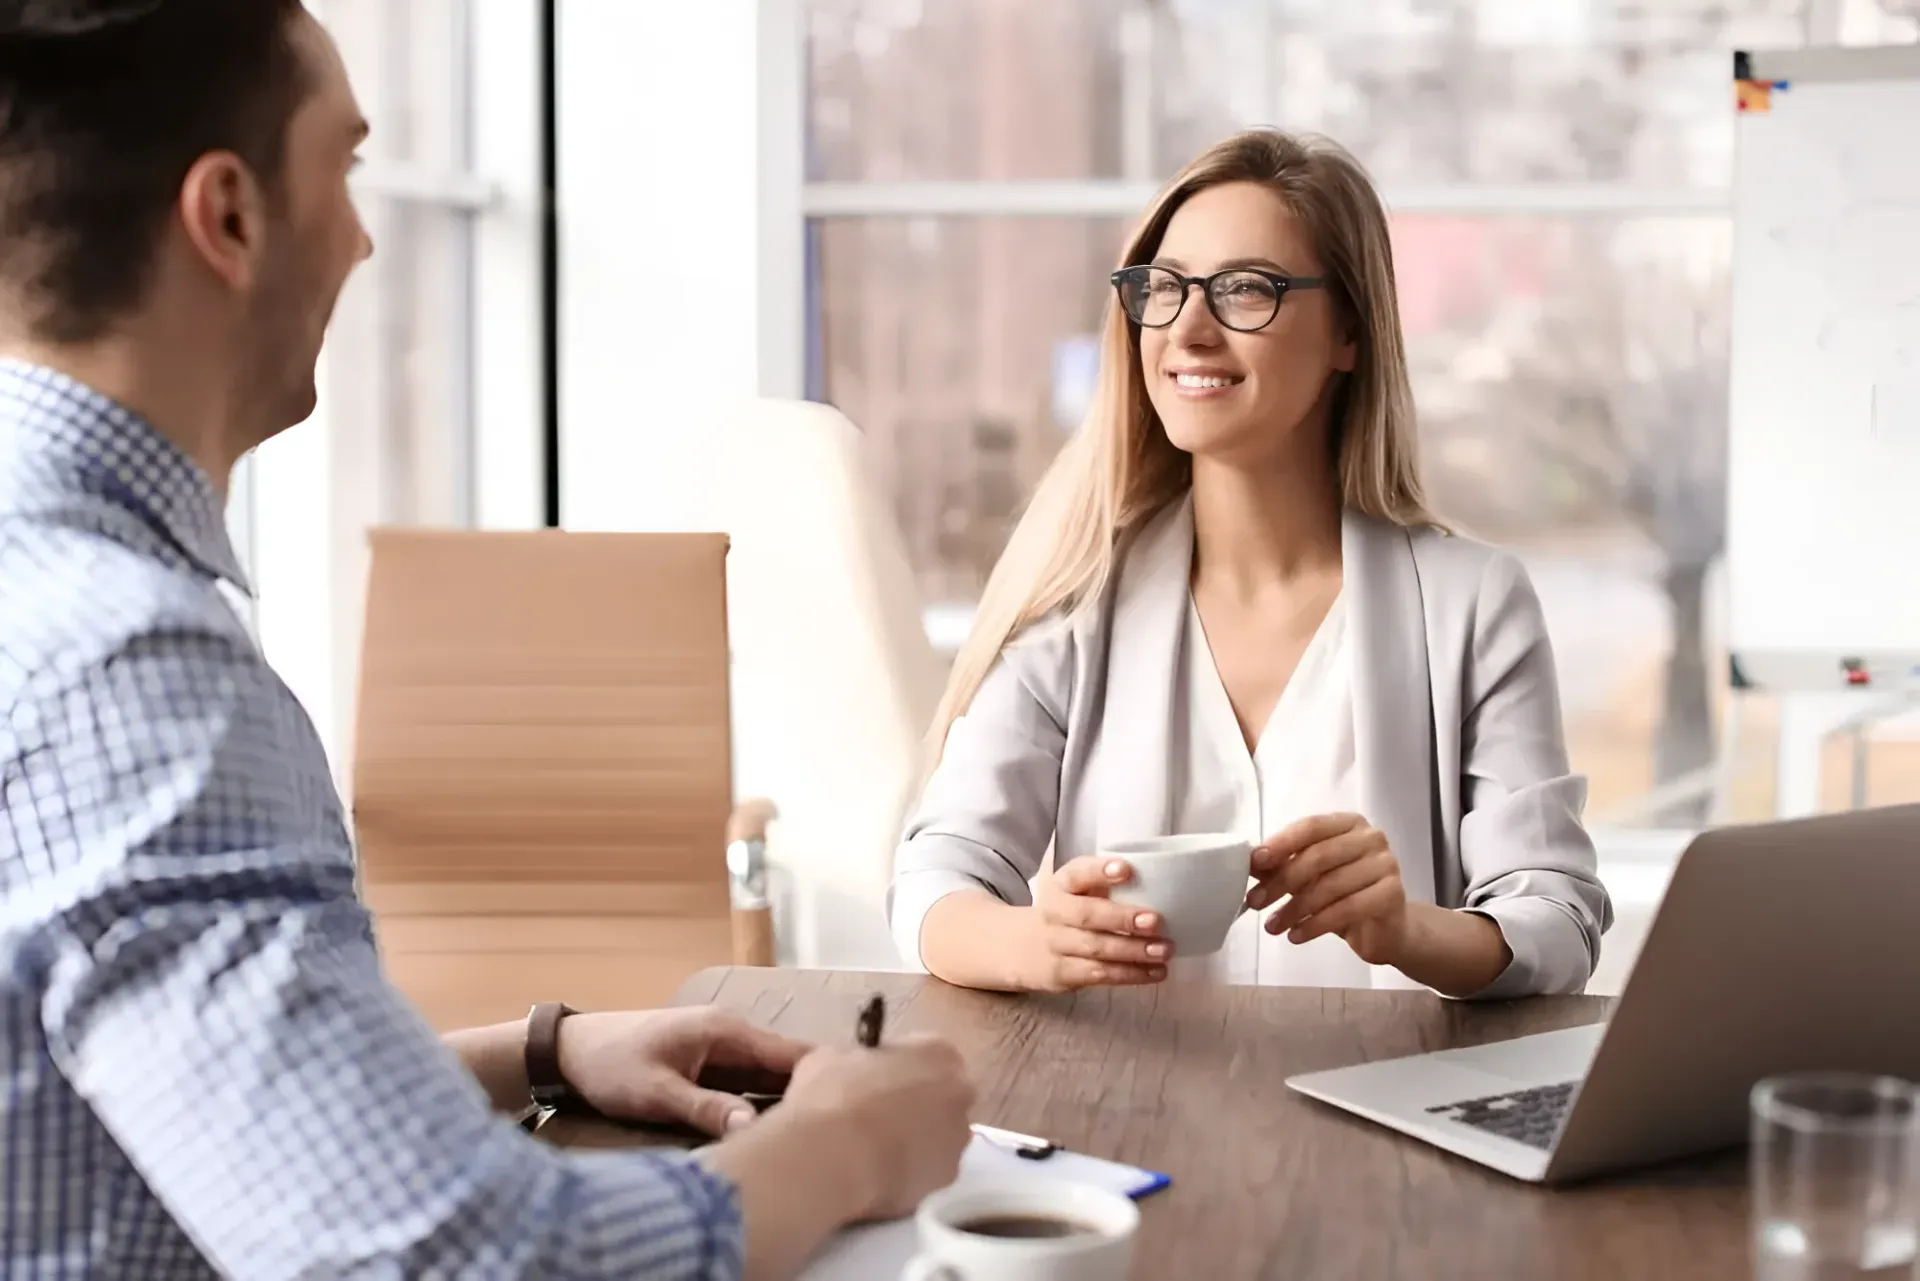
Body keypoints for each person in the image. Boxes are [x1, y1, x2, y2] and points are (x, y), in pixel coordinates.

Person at [0, 4, 972, 1279]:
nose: (360, 236)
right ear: (229, 216)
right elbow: (467, 1264)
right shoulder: (126, 670)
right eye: (340, 168)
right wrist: (845, 1145)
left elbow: (159, 1121)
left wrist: (540, 1053)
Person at [889, 128, 1613, 999]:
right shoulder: (1076, 600)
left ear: (1349, 330)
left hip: (1375, 1117)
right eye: (1163, 288)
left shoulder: (1475, 606)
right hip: (1121, 1119)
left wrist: (1407, 928)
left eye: (1244, 290)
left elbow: (1558, 919)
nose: (1188, 329)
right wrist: (1031, 942)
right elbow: (936, 877)